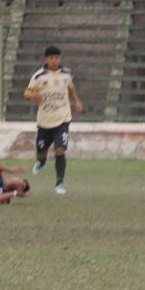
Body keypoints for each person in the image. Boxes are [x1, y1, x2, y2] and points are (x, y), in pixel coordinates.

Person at [23, 45, 83, 195]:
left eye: (57, 57)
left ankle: (59, 183)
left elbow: (70, 89)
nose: (54, 60)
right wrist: (33, 96)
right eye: (51, 58)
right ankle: (41, 162)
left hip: (63, 118)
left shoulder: (67, 74)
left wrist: (76, 101)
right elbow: (27, 92)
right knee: (41, 153)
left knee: (60, 150)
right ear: (46, 59)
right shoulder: (38, 76)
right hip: (44, 121)